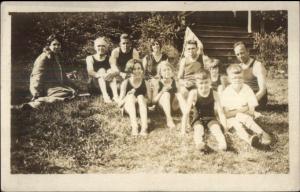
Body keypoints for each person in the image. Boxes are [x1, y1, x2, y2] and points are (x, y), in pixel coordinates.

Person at [220, 64, 271, 148]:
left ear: (243, 78)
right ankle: (249, 139)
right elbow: (226, 114)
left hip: (246, 116)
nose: (237, 80)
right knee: (237, 125)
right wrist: (243, 109)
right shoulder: (226, 92)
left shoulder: (247, 88)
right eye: (234, 78)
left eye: (240, 77)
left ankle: (262, 133)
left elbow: (251, 109)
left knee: (243, 117)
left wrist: (245, 112)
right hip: (231, 119)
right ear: (229, 79)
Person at [25, 34, 77, 109]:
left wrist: (69, 77)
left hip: (55, 85)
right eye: (54, 44)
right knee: (68, 93)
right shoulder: (44, 57)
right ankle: (38, 102)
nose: (56, 47)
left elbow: (59, 73)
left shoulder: (56, 56)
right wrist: (35, 92)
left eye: (58, 44)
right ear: (49, 45)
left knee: (73, 91)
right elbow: (36, 75)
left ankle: (46, 100)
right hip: (46, 87)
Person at [181, 69, 227, 151]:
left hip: (210, 118)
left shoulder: (215, 93)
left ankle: (223, 144)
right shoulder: (194, 93)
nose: (204, 85)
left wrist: (225, 128)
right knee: (198, 130)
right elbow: (186, 112)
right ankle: (199, 144)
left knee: (217, 129)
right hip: (198, 118)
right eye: (201, 83)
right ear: (196, 84)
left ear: (210, 81)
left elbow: (221, 112)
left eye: (206, 82)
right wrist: (183, 130)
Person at [117, 59, 151, 136]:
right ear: (130, 71)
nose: (137, 71)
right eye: (134, 69)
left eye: (139, 68)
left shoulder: (146, 83)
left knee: (140, 96)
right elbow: (119, 104)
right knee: (131, 96)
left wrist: (140, 99)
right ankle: (134, 126)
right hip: (128, 107)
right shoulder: (125, 83)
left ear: (142, 70)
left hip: (140, 107)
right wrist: (127, 96)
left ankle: (144, 127)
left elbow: (150, 101)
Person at [177, 40, 204, 128]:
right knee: (183, 92)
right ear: (186, 50)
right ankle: (187, 117)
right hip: (187, 84)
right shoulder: (184, 61)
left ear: (197, 49)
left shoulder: (202, 59)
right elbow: (179, 78)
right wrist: (184, 82)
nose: (191, 51)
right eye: (188, 49)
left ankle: (197, 116)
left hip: (199, 84)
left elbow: (207, 74)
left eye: (193, 48)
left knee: (199, 94)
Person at [233, 41, 268, 109]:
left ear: (248, 51)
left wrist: (251, 102)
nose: (240, 56)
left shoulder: (257, 65)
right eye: (237, 54)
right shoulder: (239, 66)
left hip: (257, 99)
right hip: (244, 97)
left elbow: (263, 90)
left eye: (242, 53)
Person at [109, 34, 140, 101]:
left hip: (129, 74)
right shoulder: (115, 51)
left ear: (130, 44)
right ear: (120, 44)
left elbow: (137, 66)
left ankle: (130, 91)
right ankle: (115, 96)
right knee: (110, 71)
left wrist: (129, 75)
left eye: (127, 43)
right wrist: (121, 74)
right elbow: (113, 65)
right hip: (118, 74)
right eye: (123, 43)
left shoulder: (134, 52)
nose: (125, 45)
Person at [152, 61, 179, 129]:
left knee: (182, 92)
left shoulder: (175, 82)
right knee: (166, 94)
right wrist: (162, 91)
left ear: (172, 71)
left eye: (168, 69)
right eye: (164, 70)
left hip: (174, 107)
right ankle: (169, 119)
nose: (167, 71)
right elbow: (153, 101)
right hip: (162, 108)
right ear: (160, 73)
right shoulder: (158, 83)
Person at [86, 37, 113, 103]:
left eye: (103, 46)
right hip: (94, 85)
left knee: (110, 71)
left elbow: (114, 70)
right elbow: (90, 71)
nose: (101, 48)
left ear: (106, 48)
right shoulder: (90, 58)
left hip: (107, 83)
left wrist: (110, 74)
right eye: (99, 46)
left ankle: (115, 96)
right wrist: (101, 75)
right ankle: (105, 95)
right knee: (102, 70)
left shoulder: (109, 58)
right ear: (95, 47)